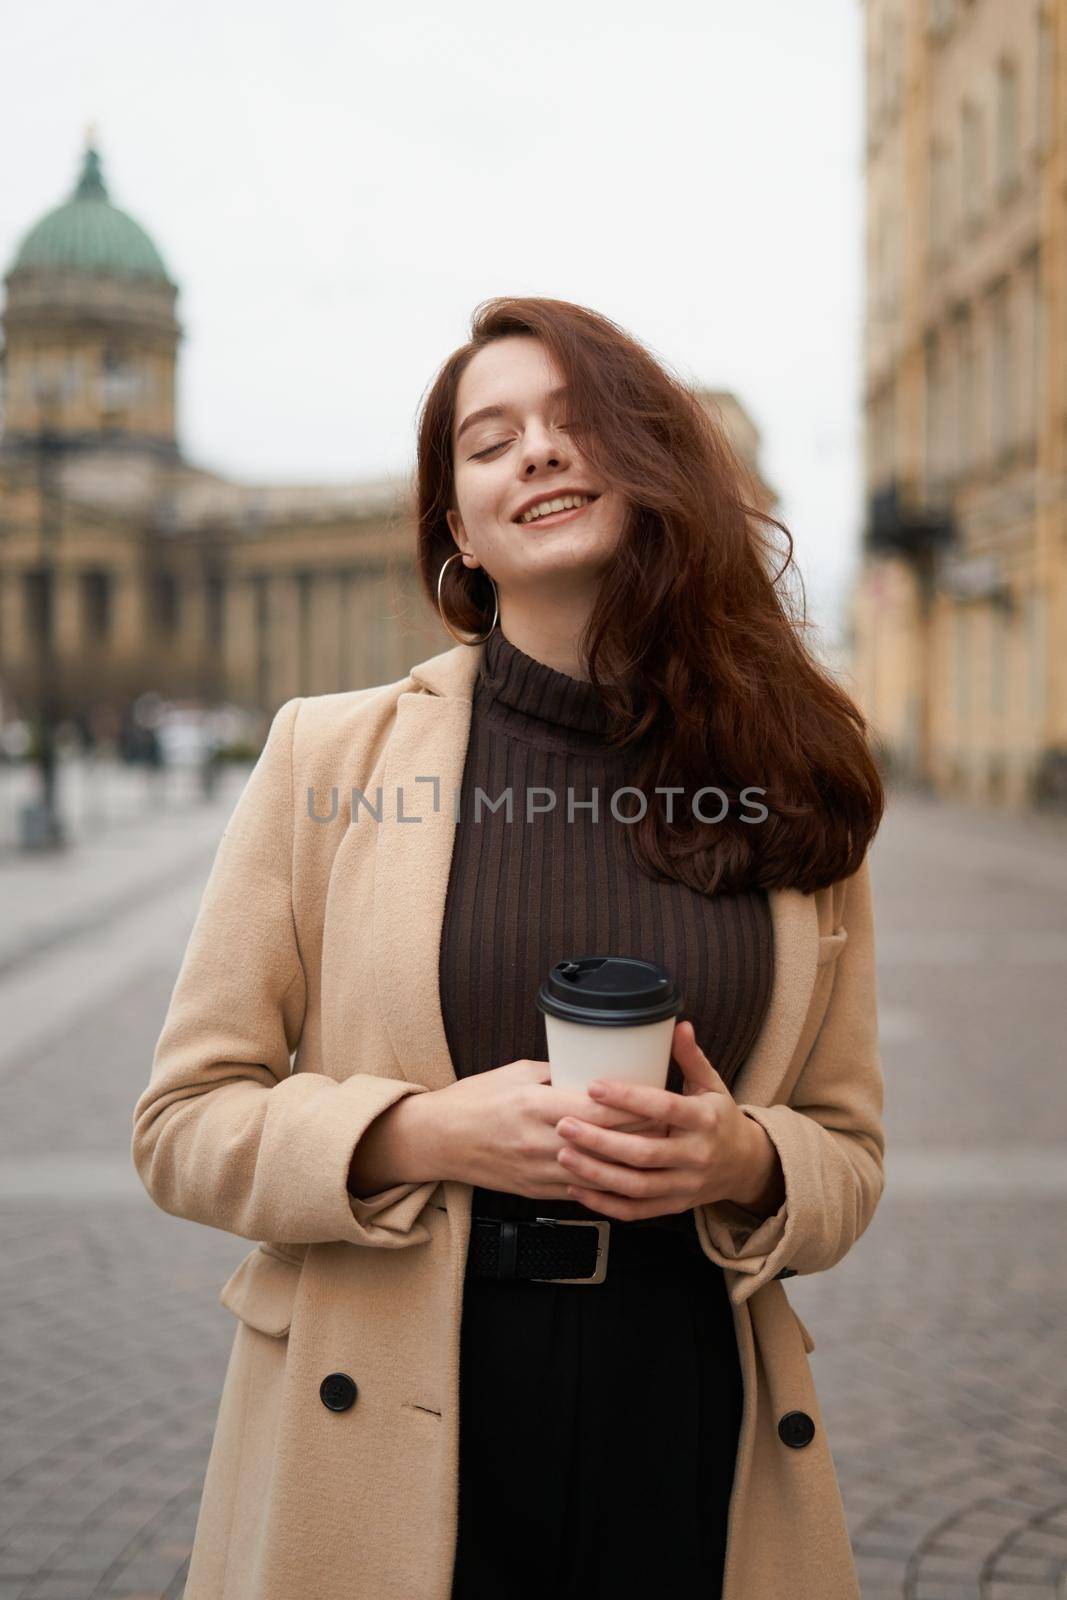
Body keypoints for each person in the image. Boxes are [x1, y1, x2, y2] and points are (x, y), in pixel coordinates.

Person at [132, 296, 886, 1600]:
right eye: (490, 441)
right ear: (457, 530)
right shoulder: (332, 758)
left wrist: (746, 1156)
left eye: (576, 422)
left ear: (654, 468)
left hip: (688, 1399)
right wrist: (416, 1137)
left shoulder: (792, 772)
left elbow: (850, 1152)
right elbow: (183, 1124)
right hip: (388, 1404)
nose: (535, 452)